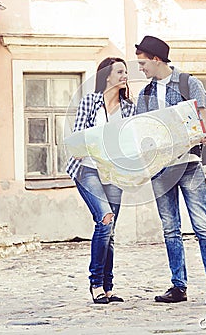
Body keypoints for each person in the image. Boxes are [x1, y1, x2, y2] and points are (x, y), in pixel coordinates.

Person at [135, 35, 206, 306]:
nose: (140, 68)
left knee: (202, 226)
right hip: (161, 169)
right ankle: (178, 286)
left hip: (189, 165)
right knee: (170, 229)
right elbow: (142, 128)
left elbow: (205, 113)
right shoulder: (145, 94)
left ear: (157, 59)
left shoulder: (188, 82)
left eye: (143, 62)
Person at [66, 57, 136, 304]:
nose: (124, 75)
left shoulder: (129, 108)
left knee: (111, 230)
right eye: (119, 71)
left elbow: (130, 142)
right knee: (105, 220)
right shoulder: (90, 102)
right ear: (107, 75)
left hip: (114, 174)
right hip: (88, 170)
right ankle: (95, 283)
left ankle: (108, 287)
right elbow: (76, 136)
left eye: (125, 71)